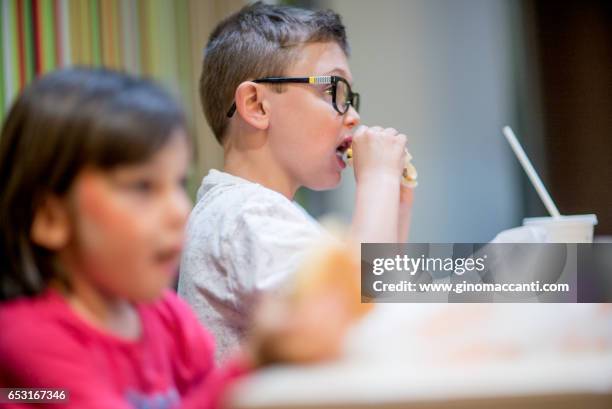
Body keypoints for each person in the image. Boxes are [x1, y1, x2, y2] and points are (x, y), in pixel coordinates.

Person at [0, 68, 250, 409]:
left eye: (178, 183)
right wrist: (260, 358)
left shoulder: (169, 317)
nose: (180, 210)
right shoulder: (23, 339)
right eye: (143, 186)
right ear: (50, 218)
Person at [179, 1, 415, 362]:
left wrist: (396, 201)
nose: (353, 116)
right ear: (257, 105)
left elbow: (382, 306)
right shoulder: (245, 214)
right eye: (333, 91)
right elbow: (353, 317)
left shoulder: (262, 212)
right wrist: (378, 179)